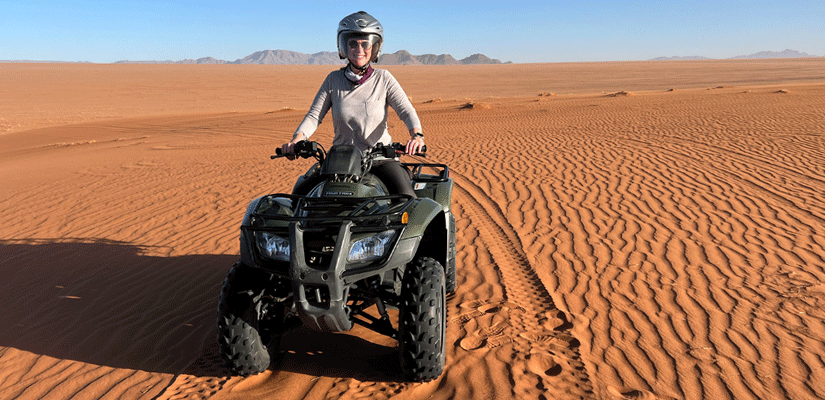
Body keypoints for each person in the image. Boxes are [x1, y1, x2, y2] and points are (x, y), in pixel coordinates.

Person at [281, 11, 424, 198]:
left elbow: (406, 111)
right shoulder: (333, 80)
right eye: (352, 44)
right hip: (340, 161)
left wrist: (417, 135)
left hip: (380, 159)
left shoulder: (384, 79)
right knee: (298, 198)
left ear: (374, 48)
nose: (359, 49)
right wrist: (297, 140)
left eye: (365, 44)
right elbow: (314, 116)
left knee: (406, 198)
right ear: (344, 47)